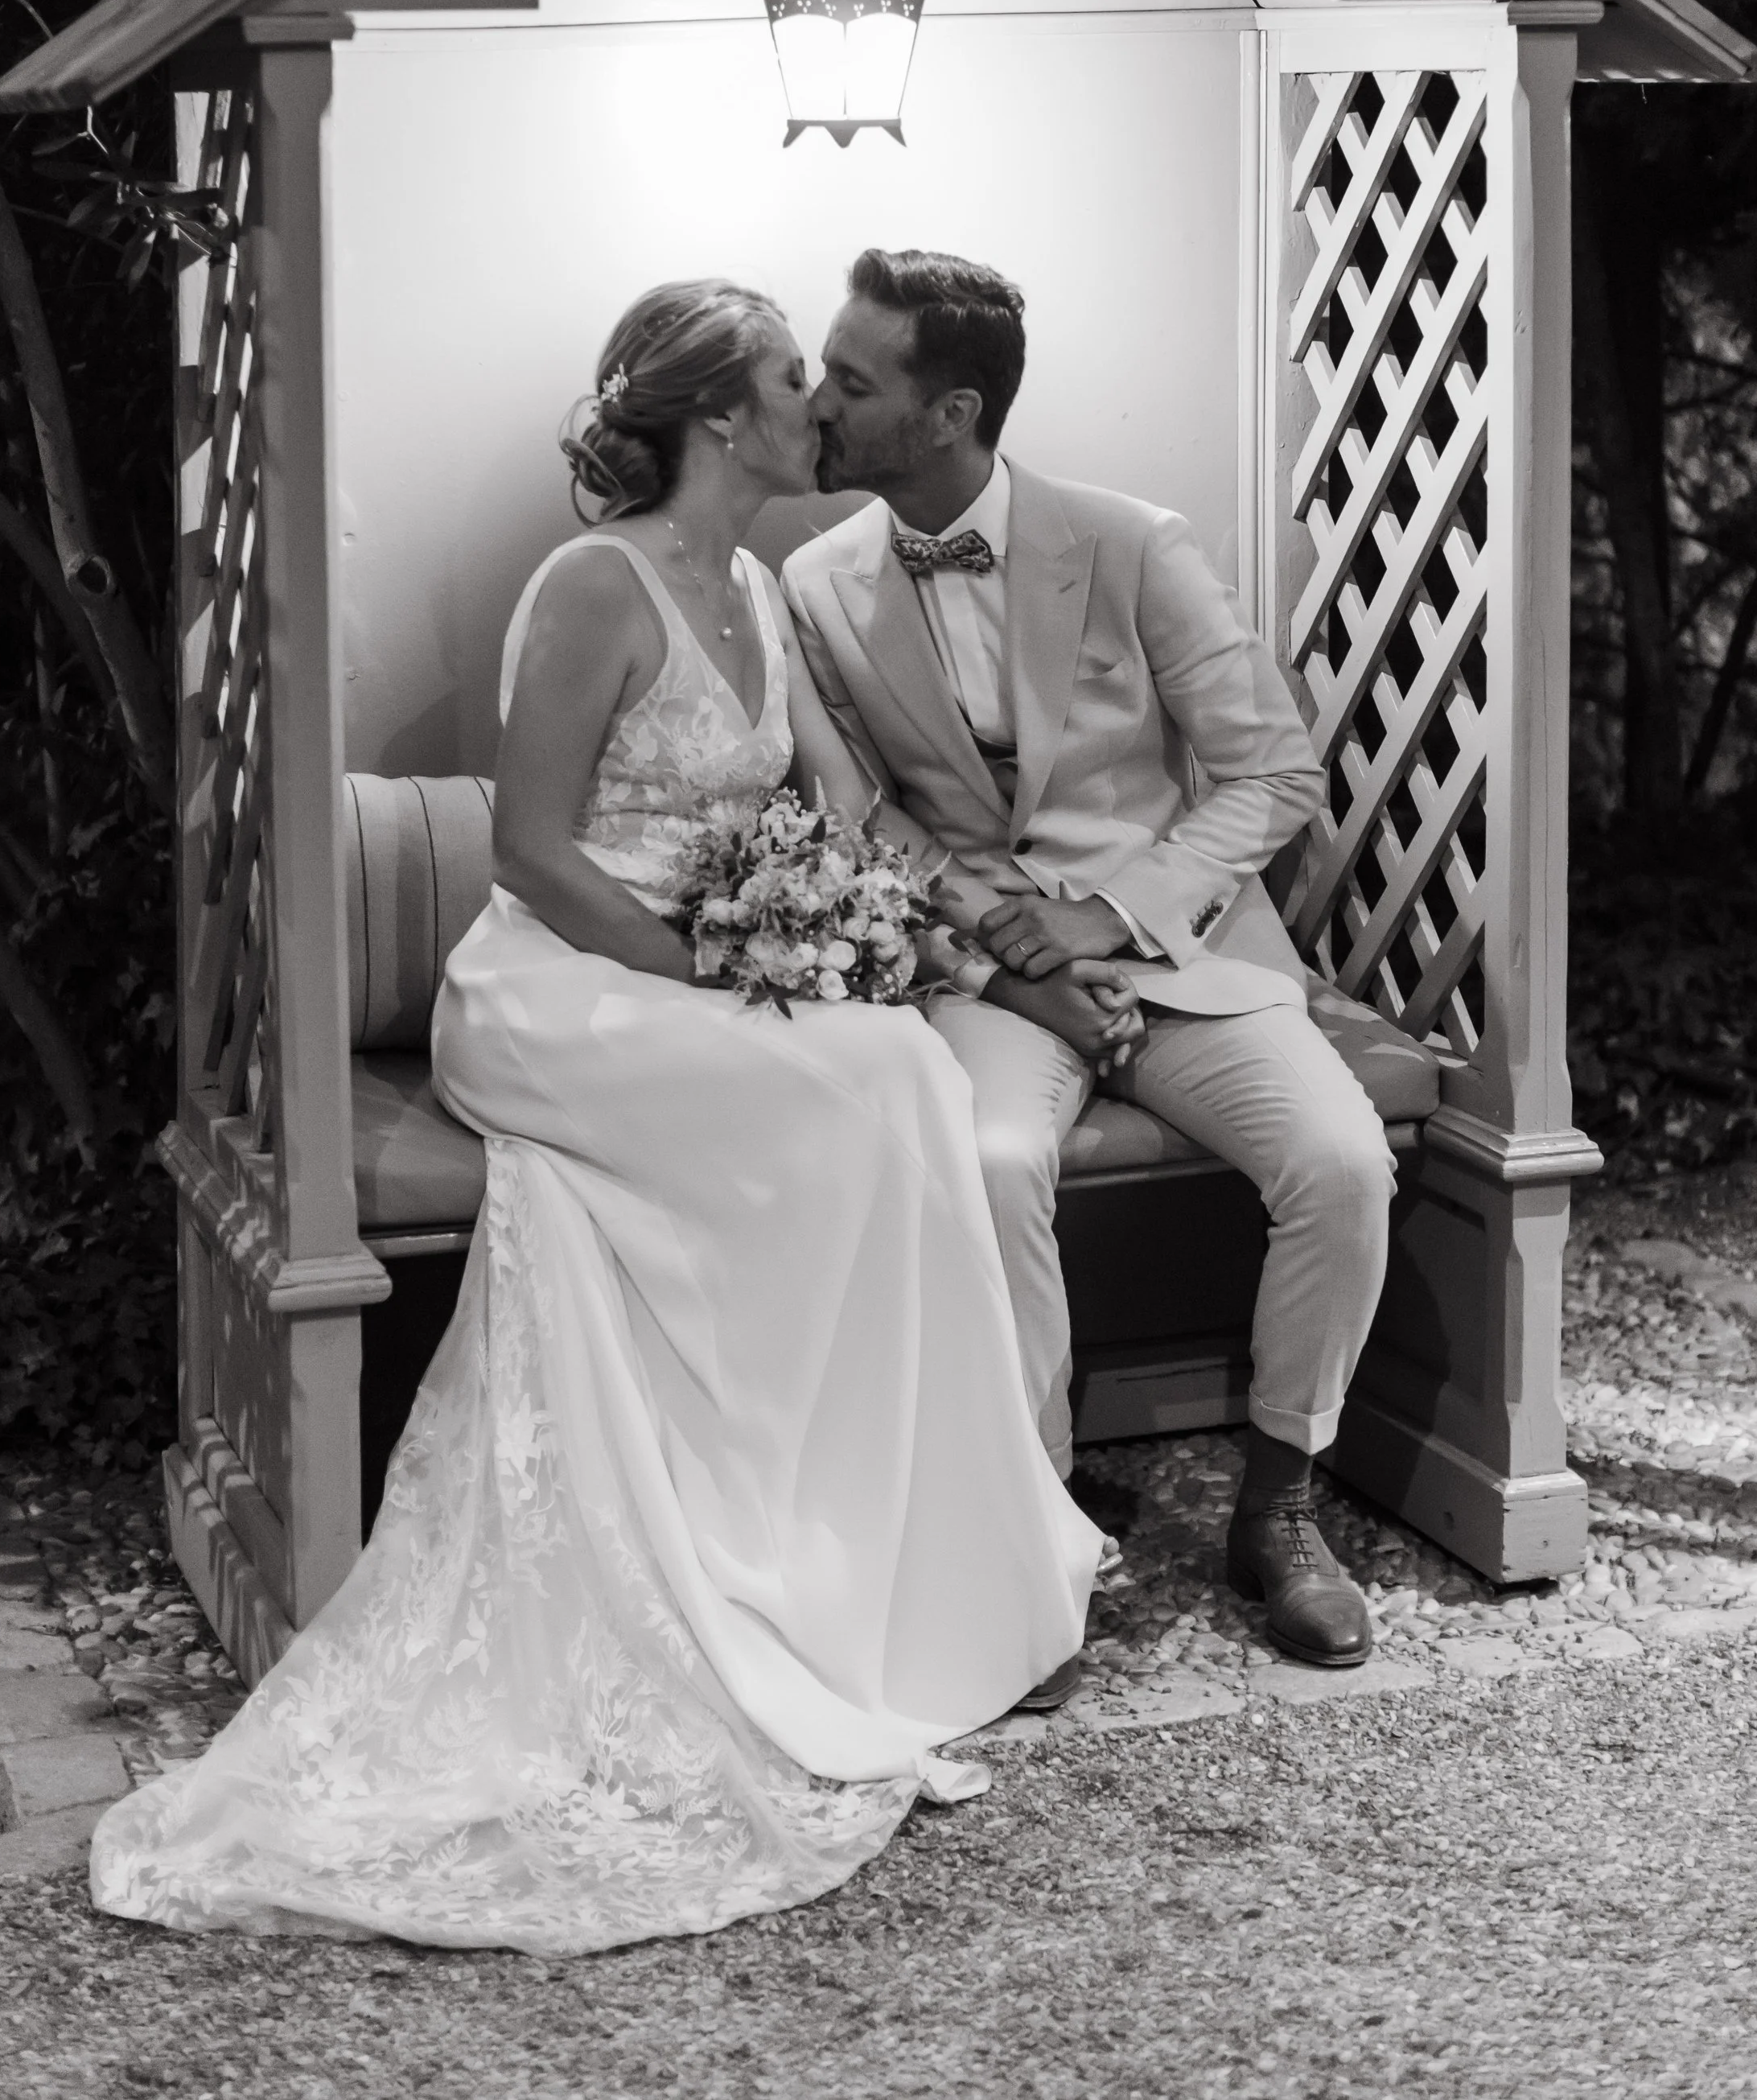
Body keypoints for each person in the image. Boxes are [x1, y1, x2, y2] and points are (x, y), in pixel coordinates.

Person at [91, 279, 1104, 1956]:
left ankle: (845, 1555)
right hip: (560, 981)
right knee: (868, 1082)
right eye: (795, 380)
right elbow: (536, 854)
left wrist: (844, 928)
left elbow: (796, 809)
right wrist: (719, 967)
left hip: (693, 968)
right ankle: (774, 1545)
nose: (817, 405)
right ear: (720, 419)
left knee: (899, 1074)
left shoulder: (762, 589)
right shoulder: (590, 585)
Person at [783, 249, 1397, 1671]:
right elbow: (863, 819)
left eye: (853, 378)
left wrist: (1110, 921)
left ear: (952, 412)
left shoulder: (1130, 542)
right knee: (993, 1162)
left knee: (1345, 1160)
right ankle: (1036, 1529)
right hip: (985, 974)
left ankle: (1282, 1504)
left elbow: (1271, 775)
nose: (820, 398)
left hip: (1179, 953)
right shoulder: (819, 583)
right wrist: (1007, 948)